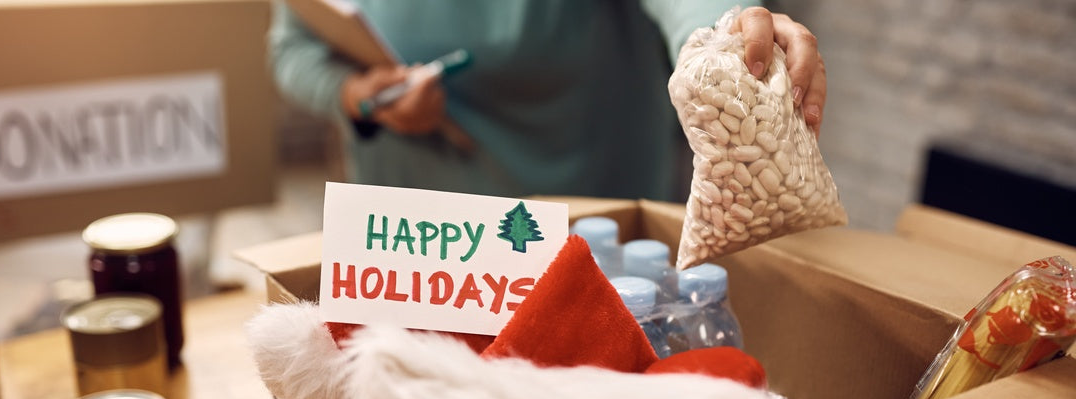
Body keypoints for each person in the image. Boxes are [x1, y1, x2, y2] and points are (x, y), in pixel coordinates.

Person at [269, 2, 826, 202]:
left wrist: (732, 33)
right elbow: (292, 47)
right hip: (413, 238)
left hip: (583, 215)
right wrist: (357, 98)